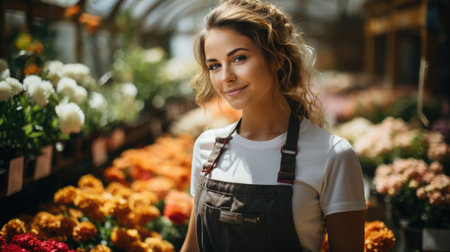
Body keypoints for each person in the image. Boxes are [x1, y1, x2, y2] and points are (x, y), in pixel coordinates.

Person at [181, 0, 366, 251]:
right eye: (214, 65)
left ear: (276, 58)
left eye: (239, 58)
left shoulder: (332, 155)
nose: (226, 77)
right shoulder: (207, 147)